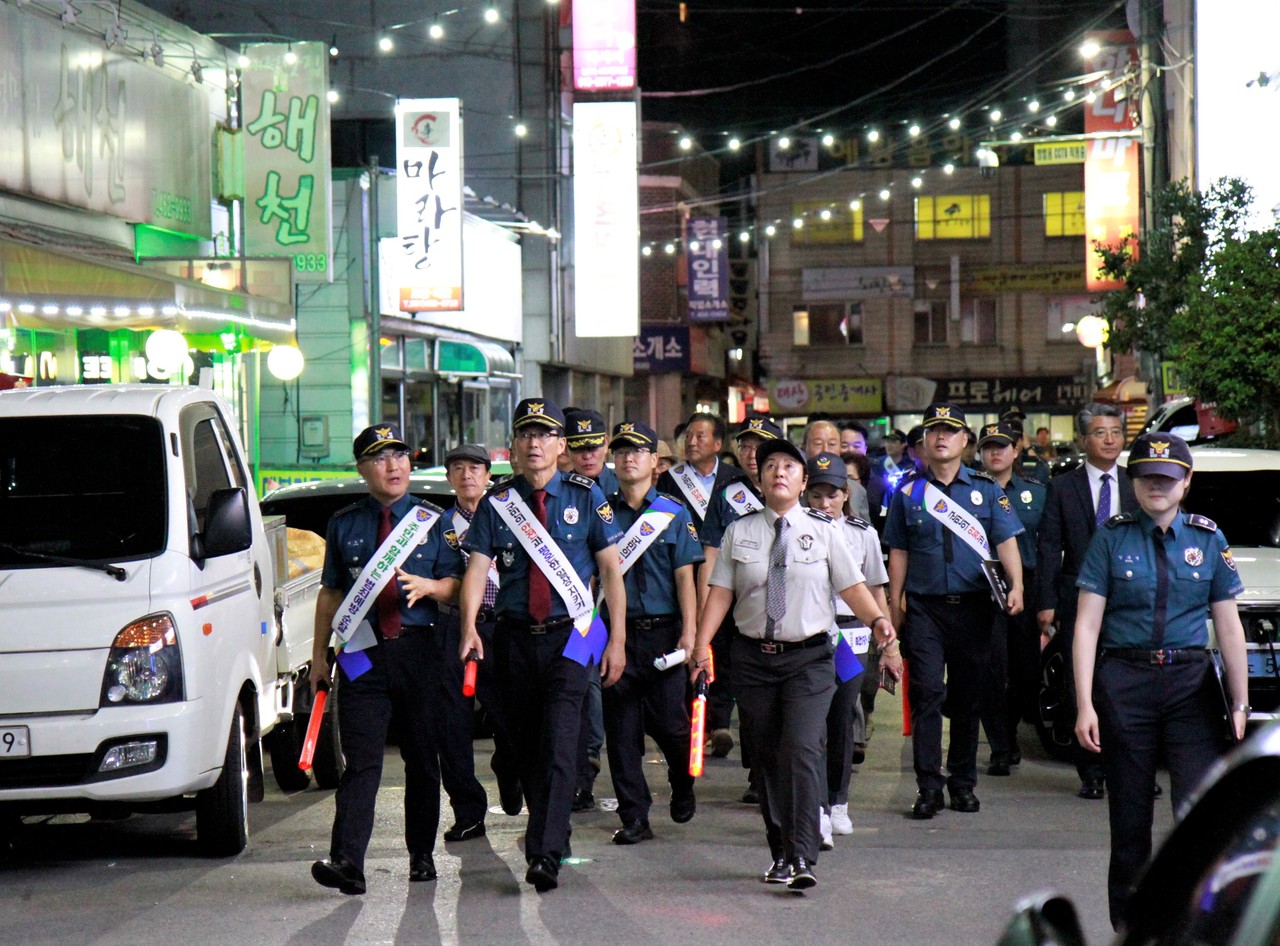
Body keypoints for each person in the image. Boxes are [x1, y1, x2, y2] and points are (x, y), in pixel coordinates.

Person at [692, 437, 896, 890]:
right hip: (752, 659)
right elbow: (721, 593)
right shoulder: (738, 532)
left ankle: (803, 854)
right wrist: (702, 646)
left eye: (789, 466)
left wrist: (879, 620)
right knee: (765, 757)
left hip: (809, 659)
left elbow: (851, 586)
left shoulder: (825, 530)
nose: (779, 472)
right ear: (760, 480)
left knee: (801, 748)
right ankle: (780, 852)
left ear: (803, 481)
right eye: (770, 467)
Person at [1073, 432, 1248, 927]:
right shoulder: (1111, 536)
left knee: (1197, 813)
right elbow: (1086, 625)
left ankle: (1195, 925)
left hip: (1191, 686)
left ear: (1186, 483)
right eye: (1148, 477)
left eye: (1168, 479)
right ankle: (1130, 927)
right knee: (1130, 818)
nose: (1158, 486)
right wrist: (1084, 703)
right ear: (1133, 482)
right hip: (1125, 683)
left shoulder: (1208, 538)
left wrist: (1239, 701)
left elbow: (1229, 626)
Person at [457, 398, 626, 892]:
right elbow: (476, 570)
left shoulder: (587, 496)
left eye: (545, 435)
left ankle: (545, 852)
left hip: (570, 639)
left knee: (558, 742)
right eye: (526, 434)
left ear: (561, 446)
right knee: (525, 745)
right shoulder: (498, 503)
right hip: (511, 639)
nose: (535, 443)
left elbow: (612, 571)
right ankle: (548, 825)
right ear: (513, 445)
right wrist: (469, 626)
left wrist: (615, 639)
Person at [309, 424, 464, 895]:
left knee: (422, 758)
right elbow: (331, 592)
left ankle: (421, 854)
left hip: (421, 653)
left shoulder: (433, 520)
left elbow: (461, 584)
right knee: (361, 762)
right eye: (380, 458)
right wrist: (319, 656)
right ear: (362, 469)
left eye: (399, 456)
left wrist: (432, 588)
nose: (393, 466)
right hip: (363, 655)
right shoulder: (344, 523)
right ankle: (347, 861)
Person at [884, 403, 1025, 819]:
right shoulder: (908, 492)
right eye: (933, 432)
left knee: (967, 699)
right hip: (925, 609)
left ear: (966, 442)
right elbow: (898, 551)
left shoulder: (986, 488)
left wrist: (1016, 585)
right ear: (924, 442)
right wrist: (895, 605)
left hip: (975, 607)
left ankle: (962, 783)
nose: (940, 438)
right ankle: (928, 786)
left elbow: (1006, 541)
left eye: (950, 431)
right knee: (926, 692)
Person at [601, 421, 703, 845]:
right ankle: (634, 816)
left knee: (673, 728)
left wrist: (692, 633)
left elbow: (685, 579)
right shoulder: (600, 513)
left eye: (638, 451)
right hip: (616, 636)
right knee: (622, 734)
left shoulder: (672, 513)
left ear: (655, 463)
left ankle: (682, 782)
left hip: (664, 635)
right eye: (621, 450)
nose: (628, 458)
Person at [1036, 403, 1137, 800]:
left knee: (1128, 683)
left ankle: (1130, 765)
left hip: (1129, 598)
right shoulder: (1063, 487)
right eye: (1100, 432)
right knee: (1085, 683)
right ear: (1083, 439)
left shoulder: (1136, 483)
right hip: (1077, 596)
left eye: (1115, 432)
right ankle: (1091, 770)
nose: (1109, 439)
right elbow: (1048, 547)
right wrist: (1045, 601)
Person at [803, 452, 901, 848]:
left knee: (843, 717)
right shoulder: (796, 530)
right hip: (811, 631)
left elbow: (876, 590)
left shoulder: (863, 533)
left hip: (850, 635)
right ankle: (815, 808)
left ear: (846, 495)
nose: (824, 504)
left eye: (832, 495)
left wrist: (888, 643)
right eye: (816, 495)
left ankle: (837, 801)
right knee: (810, 722)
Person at [697, 415, 783, 790]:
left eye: (759, 446)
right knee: (750, 694)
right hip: (737, 608)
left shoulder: (787, 488)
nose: (751, 454)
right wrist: (705, 608)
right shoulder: (726, 491)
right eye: (745, 445)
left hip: (784, 607)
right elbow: (711, 553)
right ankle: (757, 774)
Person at [441, 443, 523, 820]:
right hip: (454, 631)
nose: (467, 475)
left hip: (503, 630)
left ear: (489, 476)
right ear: (449, 478)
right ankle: (468, 814)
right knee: (454, 728)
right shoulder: (438, 526)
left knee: (510, 720)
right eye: (458, 468)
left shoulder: (511, 519)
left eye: (475, 467)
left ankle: (509, 768)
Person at [657, 412, 745, 759]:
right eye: (688, 437)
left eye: (701, 437)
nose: (692, 443)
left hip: (726, 576)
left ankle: (720, 720)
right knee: (690, 643)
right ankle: (695, 716)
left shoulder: (735, 480)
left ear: (719, 444)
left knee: (723, 646)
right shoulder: (669, 480)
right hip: (683, 573)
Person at [976, 422, 1046, 776]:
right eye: (988, 446)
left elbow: (1049, 547)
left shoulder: (1036, 491)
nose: (995, 453)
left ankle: (1011, 729)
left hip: (1027, 586)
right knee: (990, 669)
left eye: (1002, 446)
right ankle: (1000, 745)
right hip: (982, 585)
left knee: (1026, 672)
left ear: (1016, 451)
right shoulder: (969, 492)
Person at [563, 407, 615, 810]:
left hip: (629, 609)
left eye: (594, 446)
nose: (588, 455)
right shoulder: (557, 490)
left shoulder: (619, 484)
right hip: (582, 611)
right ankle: (585, 767)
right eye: (579, 448)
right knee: (586, 688)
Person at [805, 419, 869, 521]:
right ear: (804, 447)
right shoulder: (791, 487)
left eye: (832, 444)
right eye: (817, 444)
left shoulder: (856, 489)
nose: (825, 450)